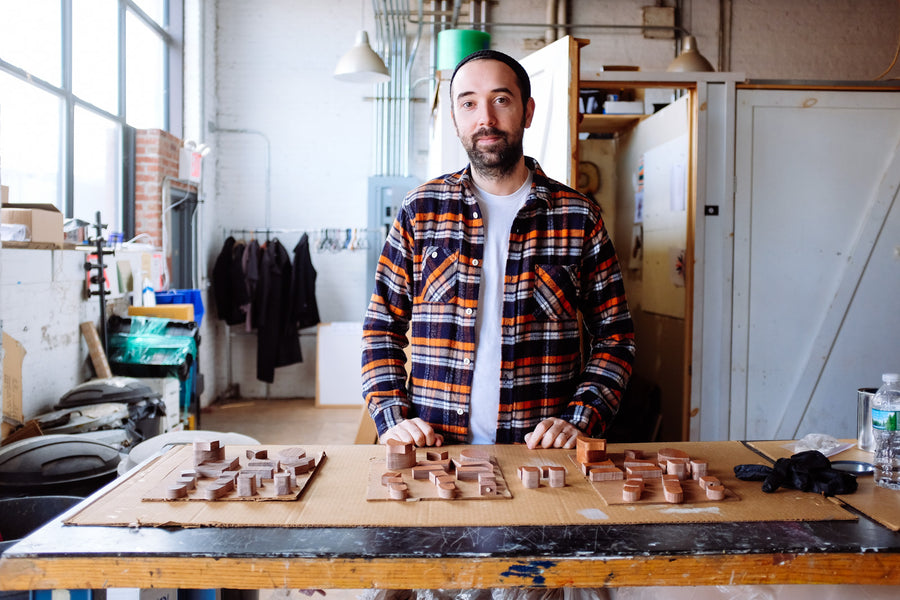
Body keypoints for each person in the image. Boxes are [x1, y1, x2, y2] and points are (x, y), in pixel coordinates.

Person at [361, 49, 635, 450]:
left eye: (501, 99)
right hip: (436, 451)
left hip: (541, 457)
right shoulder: (421, 210)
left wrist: (581, 418)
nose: (485, 118)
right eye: (468, 103)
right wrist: (392, 418)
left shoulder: (579, 216)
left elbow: (616, 337)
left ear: (527, 112)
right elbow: (381, 328)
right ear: (455, 119)